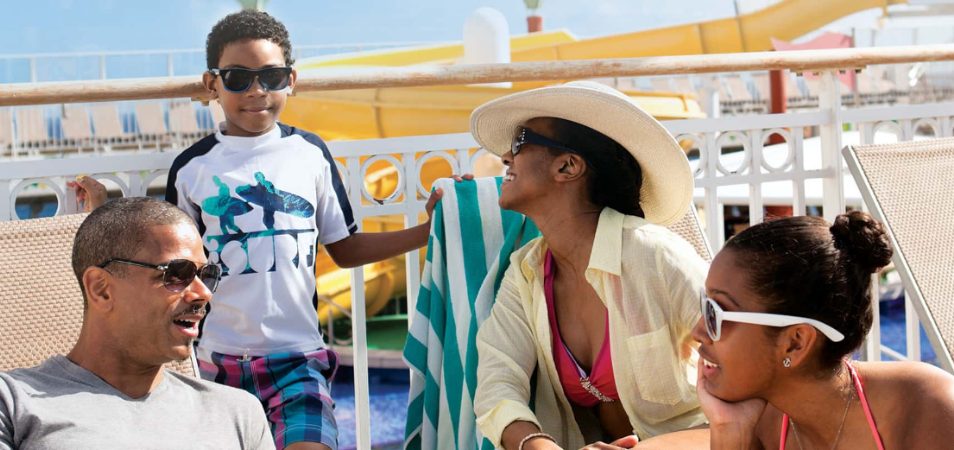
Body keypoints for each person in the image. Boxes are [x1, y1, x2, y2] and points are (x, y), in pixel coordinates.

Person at [161, 10, 456, 450]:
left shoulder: (309, 154)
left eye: (272, 76)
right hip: (214, 364)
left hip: (298, 362)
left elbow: (346, 248)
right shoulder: (191, 169)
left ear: (291, 79)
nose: (258, 90)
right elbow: (174, 271)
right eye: (238, 78)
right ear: (212, 84)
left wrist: (427, 231)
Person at [471, 80, 708, 450]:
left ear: (567, 166)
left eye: (519, 143)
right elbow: (497, 383)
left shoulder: (656, 255)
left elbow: (750, 369)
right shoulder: (527, 272)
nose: (505, 157)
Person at [0, 197, 274, 449]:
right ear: (101, 289)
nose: (203, 292)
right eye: (178, 274)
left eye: (207, 274)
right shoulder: (14, 401)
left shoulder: (237, 412)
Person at [695, 211, 954, 449]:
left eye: (715, 313)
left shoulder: (928, 410)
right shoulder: (755, 420)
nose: (698, 331)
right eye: (704, 305)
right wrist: (729, 433)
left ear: (795, 342)